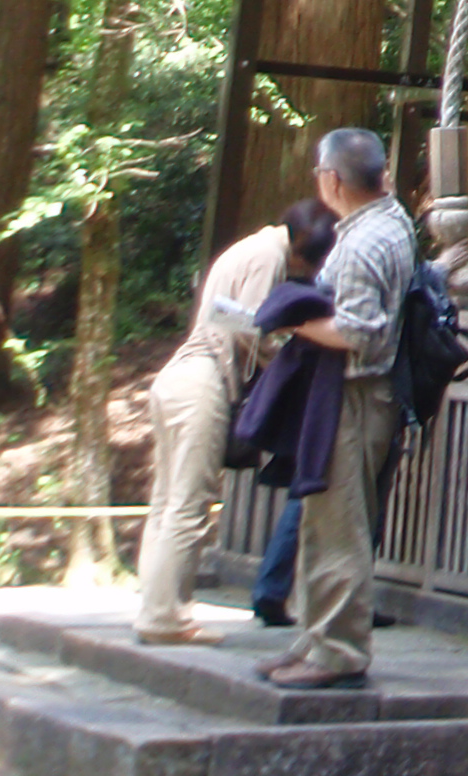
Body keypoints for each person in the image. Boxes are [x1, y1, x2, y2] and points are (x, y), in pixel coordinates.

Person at [131, 197, 336, 644]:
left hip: (177, 377)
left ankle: (156, 607)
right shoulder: (269, 255)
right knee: (190, 503)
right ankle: (166, 617)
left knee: (167, 502)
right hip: (203, 378)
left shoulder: (254, 246)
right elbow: (253, 328)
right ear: (305, 250)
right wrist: (289, 359)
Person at [260, 127, 413, 693]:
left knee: (339, 525)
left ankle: (340, 649)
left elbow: (360, 332)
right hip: (360, 394)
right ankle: (312, 638)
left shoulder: (363, 241)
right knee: (323, 523)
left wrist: (291, 318)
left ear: (330, 180)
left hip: (354, 393)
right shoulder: (389, 221)